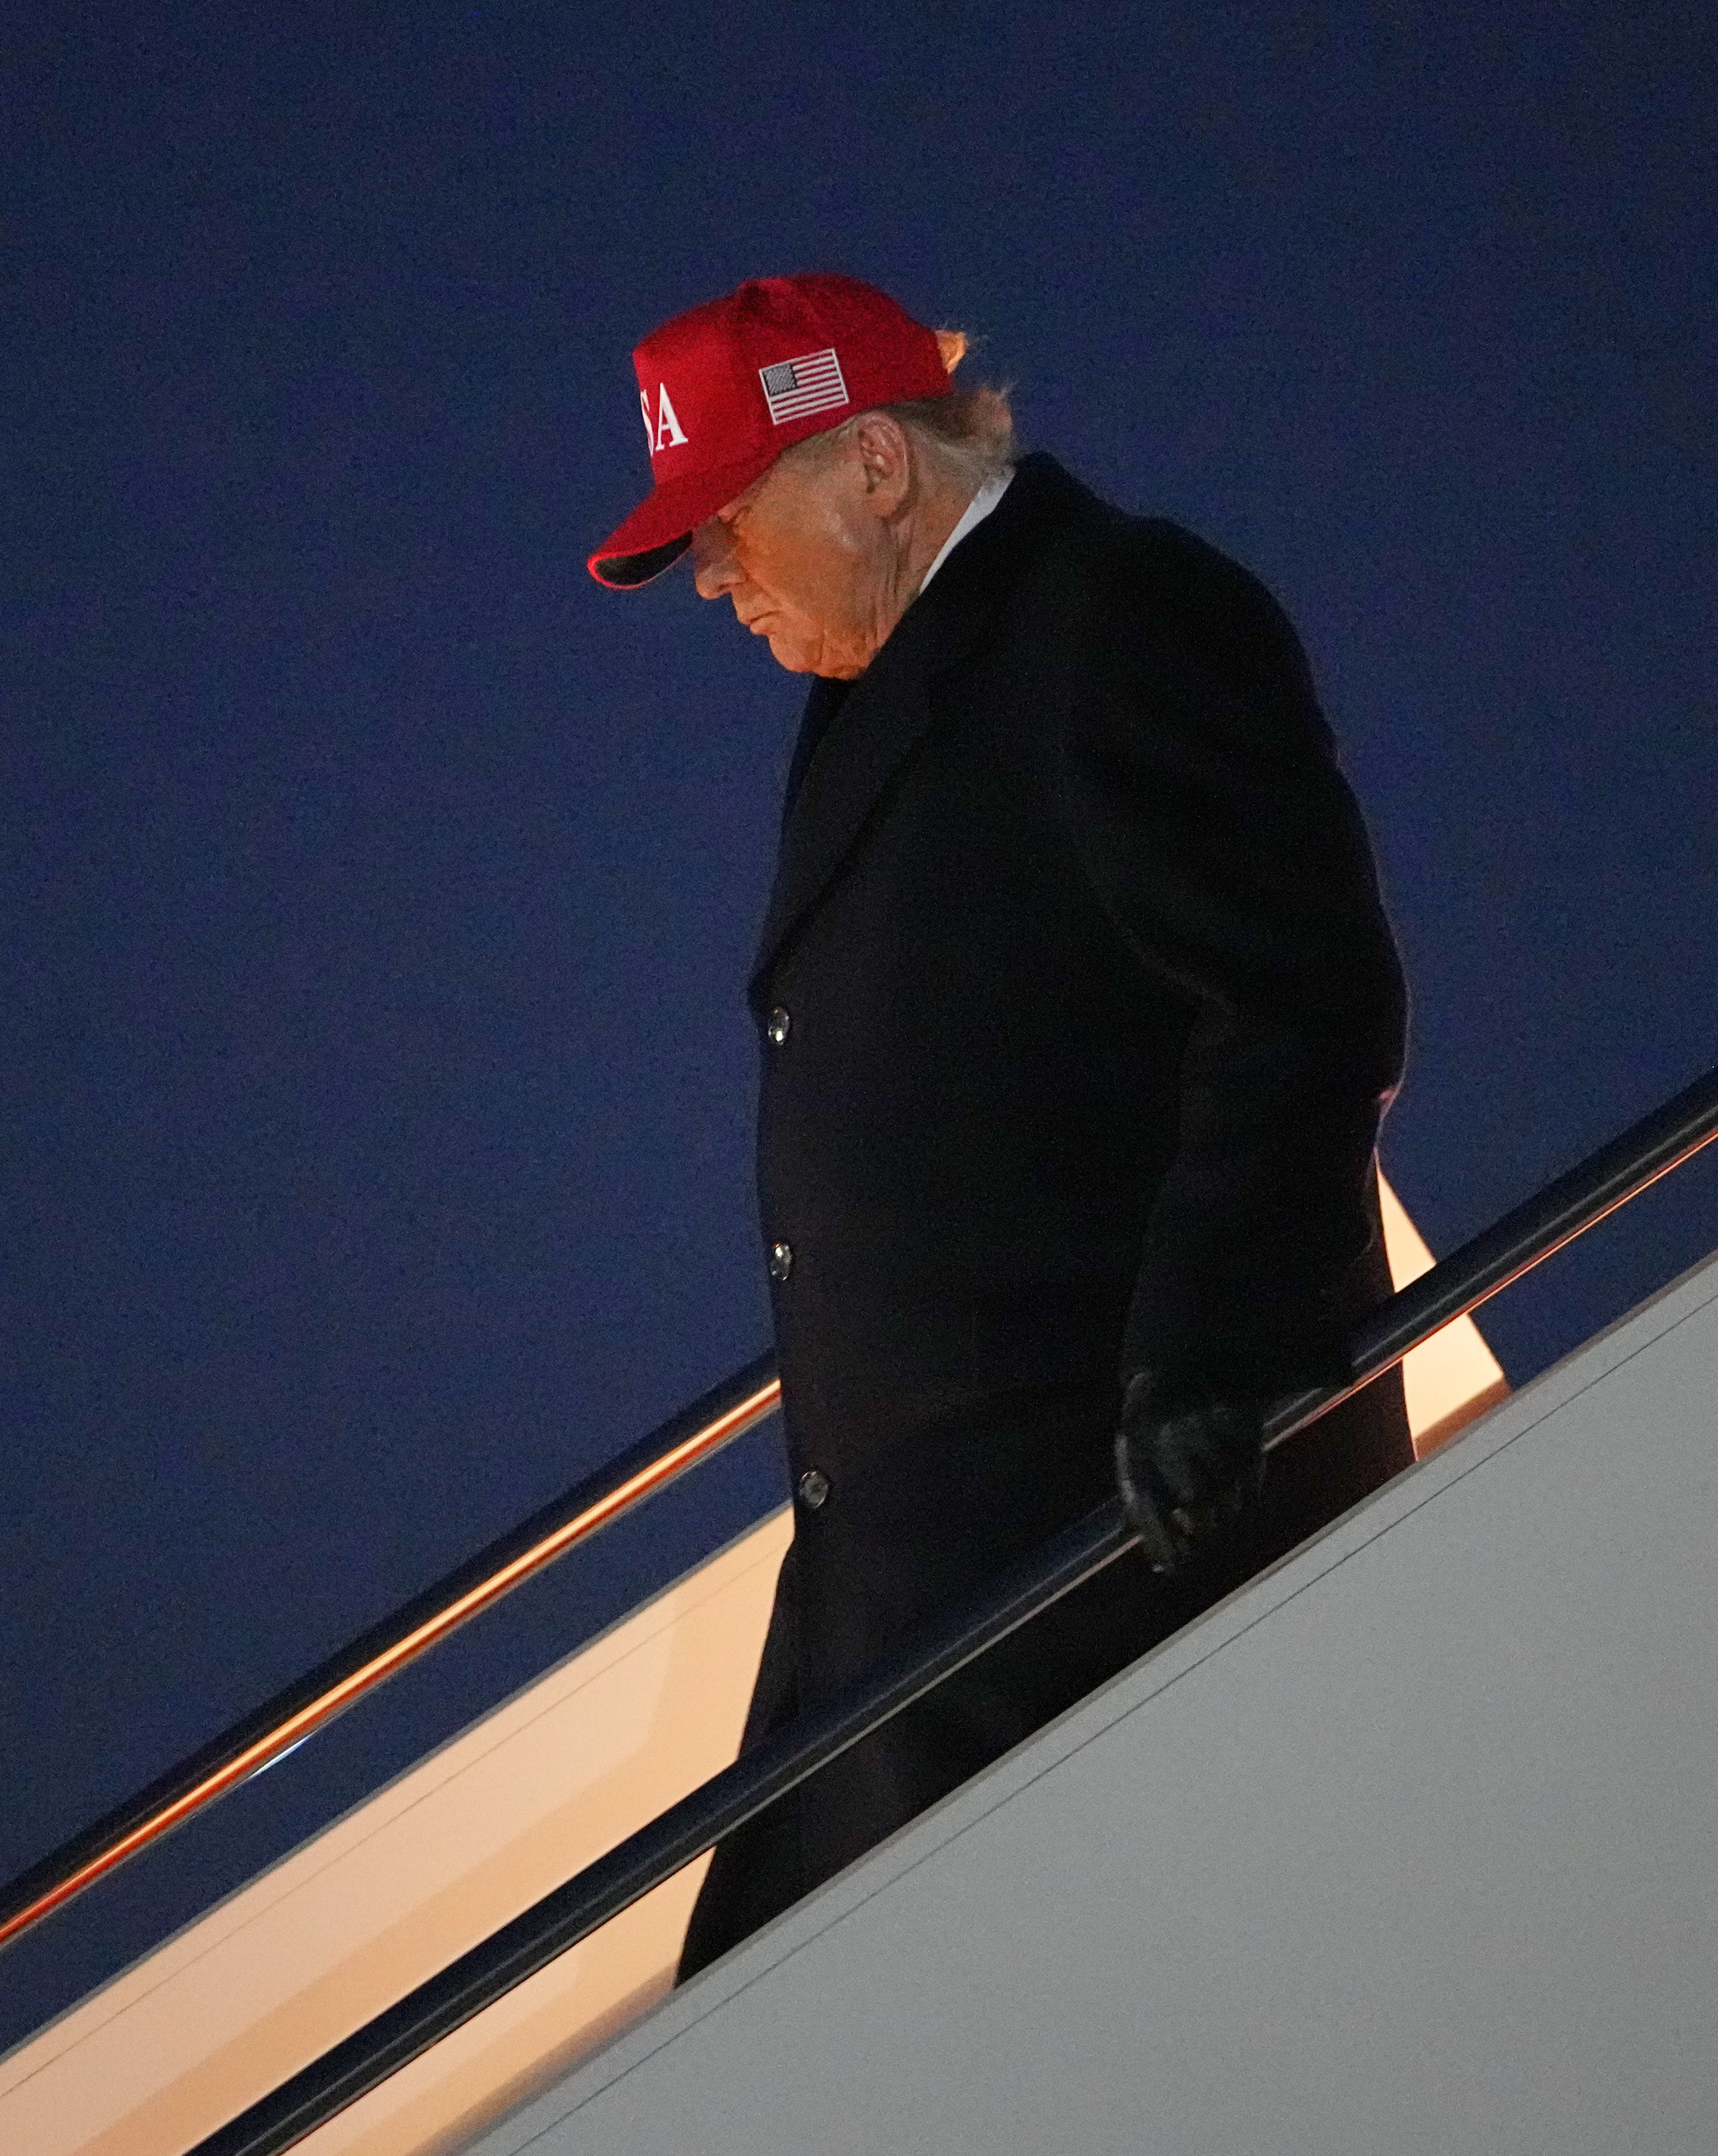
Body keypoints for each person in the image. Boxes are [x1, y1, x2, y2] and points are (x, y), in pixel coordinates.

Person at [589, 273, 1414, 1978]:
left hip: (1102, 1553)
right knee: (770, 2059)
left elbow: (1300, 1003)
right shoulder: (882, 685)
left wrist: (1213, 1366)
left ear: (874, 466)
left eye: (730, 525)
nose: (717, 581)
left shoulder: (1122, 612)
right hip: (906, 1594)